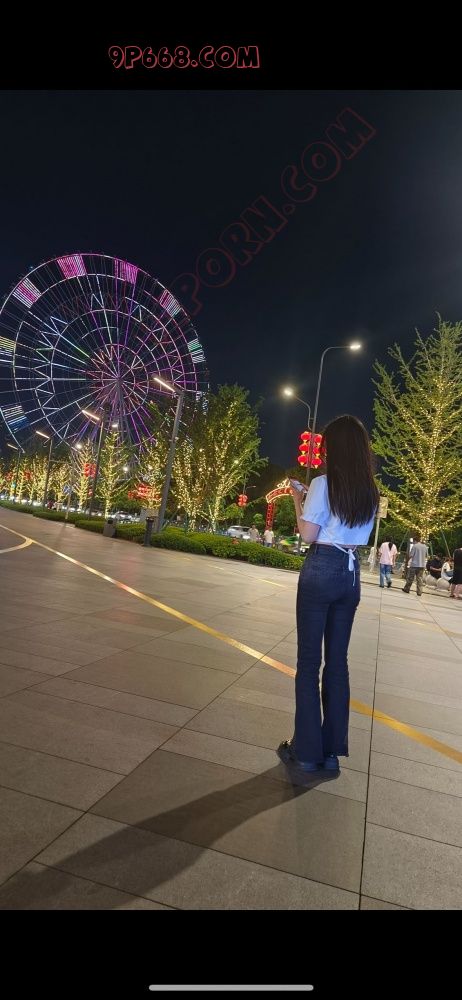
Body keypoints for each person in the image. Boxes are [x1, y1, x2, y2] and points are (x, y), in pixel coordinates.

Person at [277, 415, 378, 774]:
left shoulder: (323, 483)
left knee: (308, 663)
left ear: (334, 448)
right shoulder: (369, 491)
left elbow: (308, 534)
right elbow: (349, 528)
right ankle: (332, 750)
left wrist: (297, 499)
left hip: (321, 568)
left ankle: (305, 751)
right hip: (350, 575)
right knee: (338, 663)